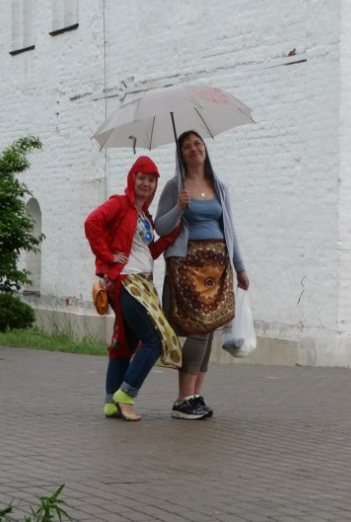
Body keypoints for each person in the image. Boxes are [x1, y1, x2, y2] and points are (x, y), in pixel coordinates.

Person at [155, 130, 250, 421]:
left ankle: (195, 395)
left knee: (210, 328)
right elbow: (160, 226)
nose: (194, 149)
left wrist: (240, 267)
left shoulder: (219, 186)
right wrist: (180, 208)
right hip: (187, 264)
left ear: (205, 149)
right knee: (198, 328)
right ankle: (183, 399)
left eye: (198, 144)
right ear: (180, 154)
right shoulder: (175, 187)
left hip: (217, 267)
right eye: (186, 146)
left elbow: (229, 228)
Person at [85, 155, 183, 421]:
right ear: (132, 178)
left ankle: (110, 401)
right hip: (127, 282)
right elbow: (91, 223)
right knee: (155, 340)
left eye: (152, 180)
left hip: (142, 282)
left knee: (124, 344)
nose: (146, 184)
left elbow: (147, 251)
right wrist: (107, 256)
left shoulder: (144, 216)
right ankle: (125, 395)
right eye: (142, 178)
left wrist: (171, 235)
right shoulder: (119, 204)